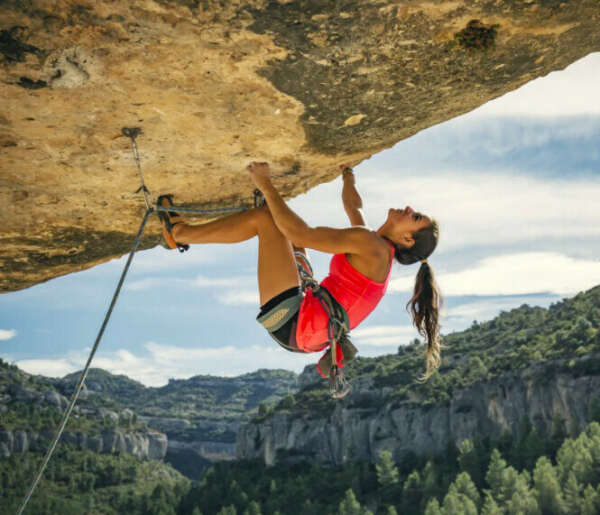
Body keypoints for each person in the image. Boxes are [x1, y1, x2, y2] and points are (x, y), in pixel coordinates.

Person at [159, 162, 442, 381]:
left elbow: (303, 234)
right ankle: (251, 209)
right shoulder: (374, 243)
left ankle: (179, 234)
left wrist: (266, 184)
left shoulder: (374, 247)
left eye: (414, 217)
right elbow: (353, 206)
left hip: (295, 322)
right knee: (281, 223)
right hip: (307, 324)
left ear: (407, 239)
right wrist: (347, 173)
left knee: (267, 219)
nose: (408, 208)